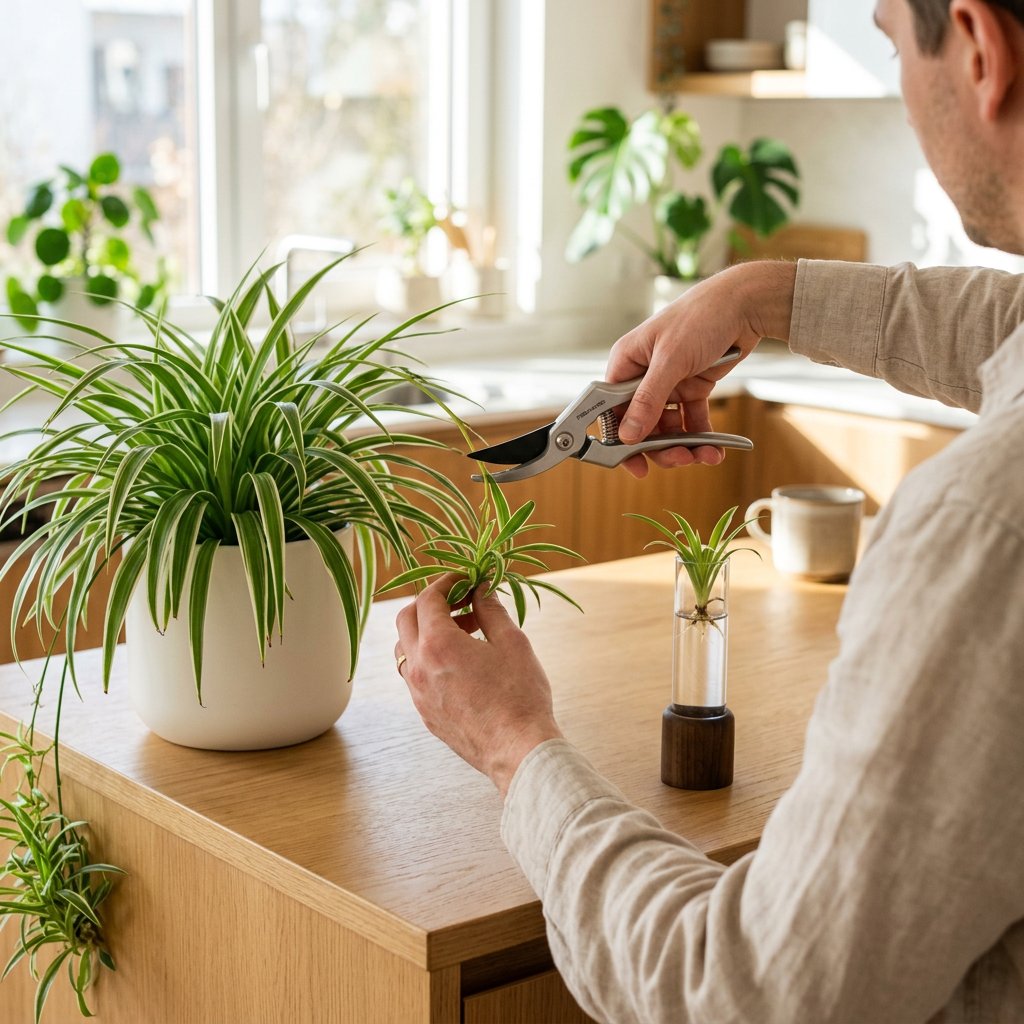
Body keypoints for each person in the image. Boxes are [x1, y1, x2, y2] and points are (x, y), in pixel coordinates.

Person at [393, 0, 1024, 1020]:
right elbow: (1006, 330)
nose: (903, 84)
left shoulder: (984, 530)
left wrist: (515, 744)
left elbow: (742, 994)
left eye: (894, 40)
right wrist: (759, 294)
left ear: (981, 50)